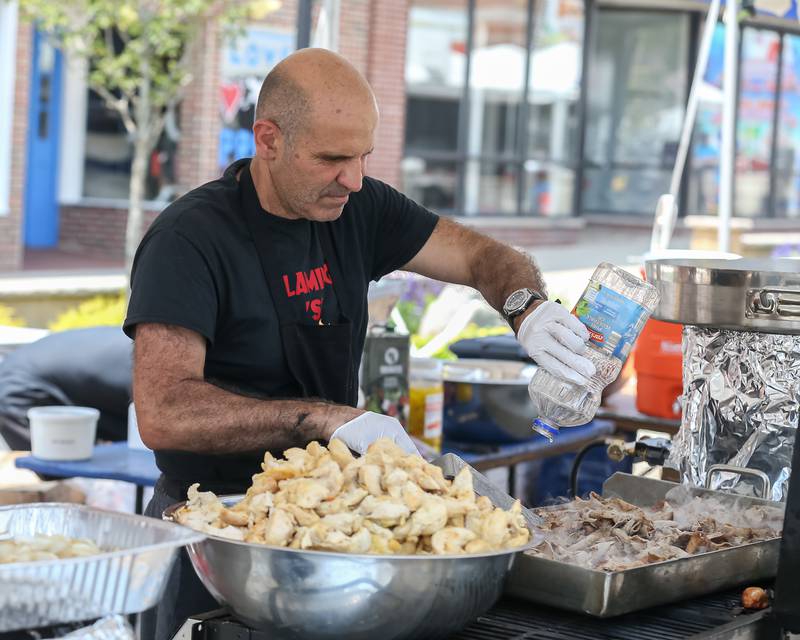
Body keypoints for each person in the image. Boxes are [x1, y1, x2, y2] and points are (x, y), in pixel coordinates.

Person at [124, 48, 595, 639]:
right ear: (267, 139)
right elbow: (164, 412)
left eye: (363, 157)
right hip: (218, 536)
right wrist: (322, 419)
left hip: (334, 530)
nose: (353, 178)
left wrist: (527, 310)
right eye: (331, 159)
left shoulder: (358, 208)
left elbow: (486, 256)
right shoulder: (189, 240)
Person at [0, 327, 132, 450]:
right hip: (21, 385)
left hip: (43, 369)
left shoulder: (142, 337)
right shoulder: (144, 363)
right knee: (59, 459)